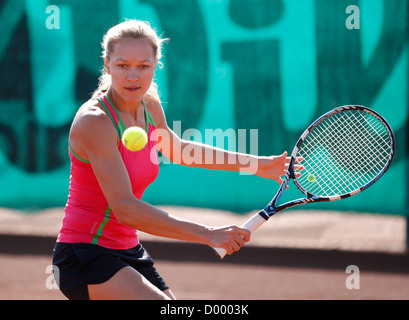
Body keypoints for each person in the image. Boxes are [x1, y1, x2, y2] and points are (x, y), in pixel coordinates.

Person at [52, 20, 301, 300]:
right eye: (122, 65)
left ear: (156, 65)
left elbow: (179, 150)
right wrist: (207, 234)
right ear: (107, 65)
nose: (133, 76)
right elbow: (125, 208)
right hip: (84, 253)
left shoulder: (149, 105)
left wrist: (258, 165)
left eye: (143, 66)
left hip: (127, 249)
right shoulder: (94, 121)